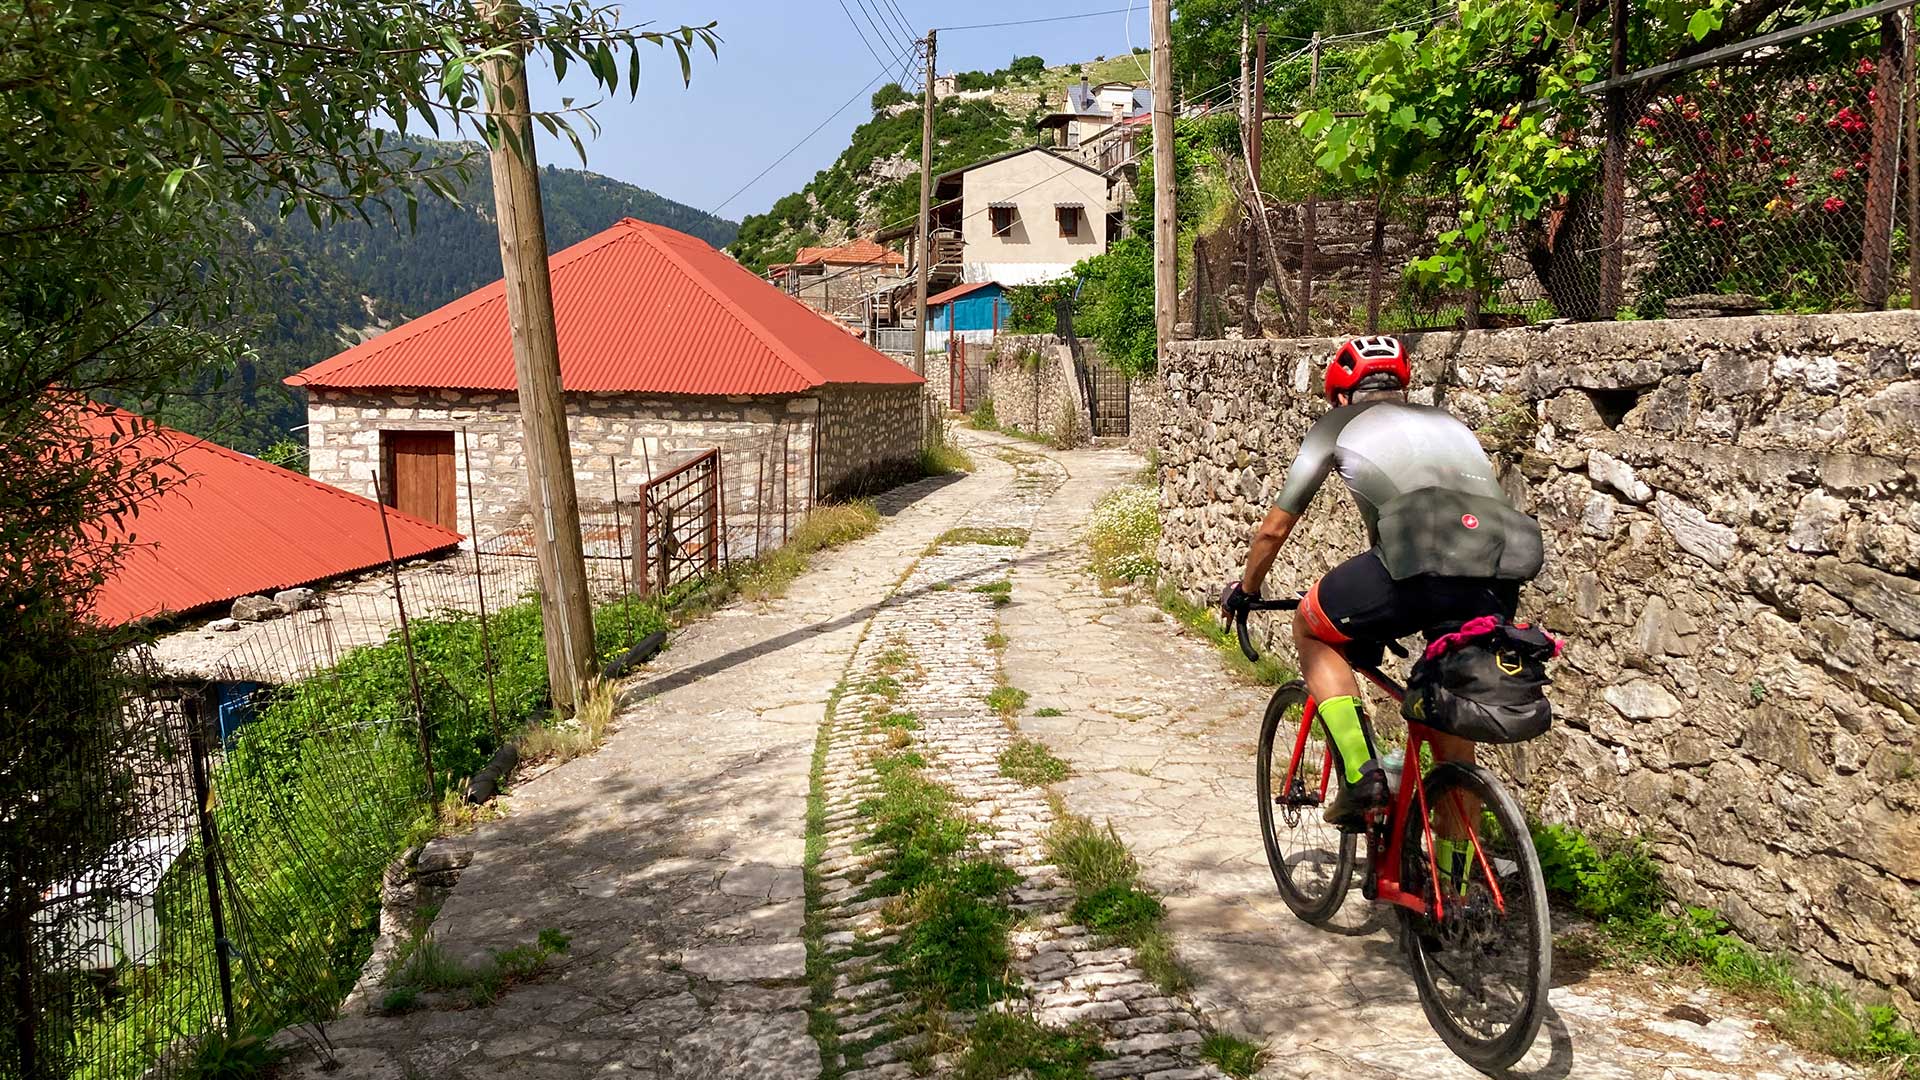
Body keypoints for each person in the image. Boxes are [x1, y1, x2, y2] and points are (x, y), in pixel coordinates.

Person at [1221, 336, 1544, 828]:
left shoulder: (1337, 423)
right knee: (1449, 712)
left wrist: (1247, 589)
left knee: (1311, 626)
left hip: (1416, 562)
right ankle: (1459, 891)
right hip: (1500, 569)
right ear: (1402, 385)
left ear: (1341, 396)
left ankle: (1361, 775)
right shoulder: (1449, 422)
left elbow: (1274, 528)